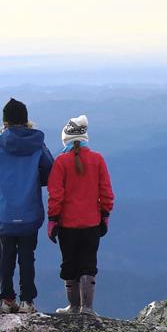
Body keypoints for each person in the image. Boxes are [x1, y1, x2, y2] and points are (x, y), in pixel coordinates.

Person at [0, 98, 53, 313]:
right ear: (26, 121)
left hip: (6, 212)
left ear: (5, 122)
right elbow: (50, 173)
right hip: (30, 212)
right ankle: (27, 301)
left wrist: (0, 180)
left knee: (6, 258)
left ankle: (7, 299)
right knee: (27, 258)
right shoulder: (38, 146)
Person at [46, 114, 114, 315]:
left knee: (69, 263)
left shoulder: (61, 162)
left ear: (65, 139)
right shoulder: (97, 160)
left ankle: (74, 306)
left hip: (67, 225)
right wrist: (105, 215)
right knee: (88, 263)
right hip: (92, 223)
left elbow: (55, 195)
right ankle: (88, 307)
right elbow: (106, 192)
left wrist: (53, 220)